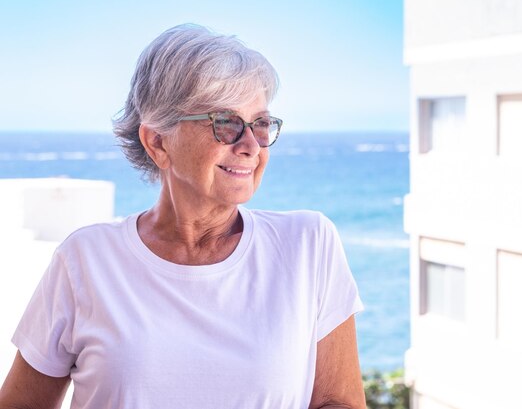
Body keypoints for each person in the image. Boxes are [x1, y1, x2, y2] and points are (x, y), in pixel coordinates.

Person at [0, 24, 365, 409]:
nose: (250, 145)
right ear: (157, 141)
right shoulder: (85, 260)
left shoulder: (308, 244)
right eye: (225, 123)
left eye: (259, 124)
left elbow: (338, 402)